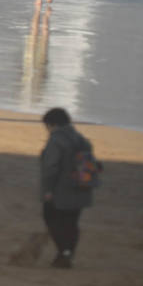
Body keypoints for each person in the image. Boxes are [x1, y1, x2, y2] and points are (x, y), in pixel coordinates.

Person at [39, 107, 96, 268]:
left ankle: (63, 253)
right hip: (82, 187)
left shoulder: (56, 140)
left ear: (52, 124)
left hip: (61, 190)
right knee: (71, 223)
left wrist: (48, 190)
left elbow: (51, 168)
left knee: (52, 219)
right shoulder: (81, 139)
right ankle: (67, 253)